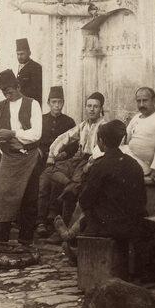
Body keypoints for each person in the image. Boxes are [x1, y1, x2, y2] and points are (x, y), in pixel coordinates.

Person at [54, 119, 148, 264]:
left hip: (110, 225)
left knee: (89, 209)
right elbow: (142, 199)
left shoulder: (100, 165)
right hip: (134, 222)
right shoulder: (133, 164)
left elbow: (85, 200)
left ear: (101, 141)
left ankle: (73, 242)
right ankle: (72, 240)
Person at [0, 69, 43, 245]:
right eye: (4, 92)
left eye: (10, 91)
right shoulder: (0, 106)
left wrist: (13, 134)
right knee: (3, 198)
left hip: (29, 158)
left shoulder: (33, 104)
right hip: (9, 158)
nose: (7, 95)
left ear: (18, 87)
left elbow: (36, 133)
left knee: (29, 198)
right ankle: (0, 241)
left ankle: (25, 240)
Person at [40, 92, 106, 239]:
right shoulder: (83, 125)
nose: (91, 109)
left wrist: (90, 163)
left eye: (95, 106)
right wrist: (52, 153)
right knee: (49, 171)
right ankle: (72, 184)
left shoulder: (104, 126)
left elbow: (102, 150)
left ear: (101, 108)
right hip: (79, 160)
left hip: (94, 162)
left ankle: (64, 232)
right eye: (89, 106)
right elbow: (65, 137)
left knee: (70, 192)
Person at [37, 86, 76, 233]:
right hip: (43, 162)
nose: (57, 105)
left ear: (63, 103)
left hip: (61, 163)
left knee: (56, 184)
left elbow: (74, 145)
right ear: (48, 103)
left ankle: (52, 218)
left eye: (60, 102)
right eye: (54, 102)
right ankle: (40, 221)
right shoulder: (41, 120)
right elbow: (35, 140)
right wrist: (40, 151)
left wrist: (64, 154)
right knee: (43, 185)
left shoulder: (69, 122)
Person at [123, 87, 155, 182]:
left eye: (145, 101)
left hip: (144, 165)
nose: (141, 104)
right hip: (129, 157)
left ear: (154, 101)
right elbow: (126, 139)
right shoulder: (136, 117)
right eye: (139, 101)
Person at [15, 38, 43, 106]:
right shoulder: (20, 67)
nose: (19, 57)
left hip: (31, 104)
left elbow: (36, 91)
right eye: (18, 54)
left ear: (29, 53)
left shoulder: (36, 67)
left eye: (22, 54)